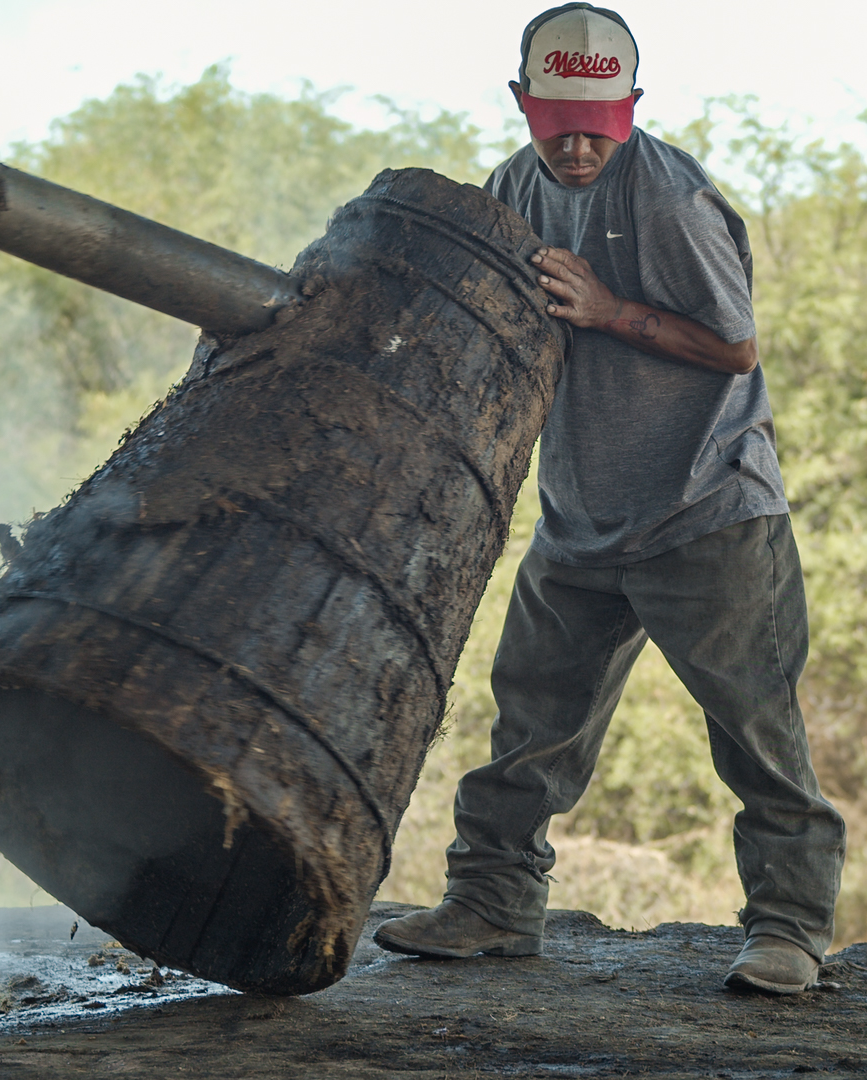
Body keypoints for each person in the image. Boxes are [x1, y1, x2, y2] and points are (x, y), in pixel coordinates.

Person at [373, 2, 845, 995]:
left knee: (756, 734)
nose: (581, 141)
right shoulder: (510, 189)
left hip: (708, 512)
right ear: (523, 104)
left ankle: (792, 932)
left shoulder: (670, 199)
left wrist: (608, 310)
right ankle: (494, 905)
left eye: (602, 118)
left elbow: (735, 347)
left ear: (631, 106)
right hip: (581, 517)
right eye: (559, 121)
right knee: (529, 722)